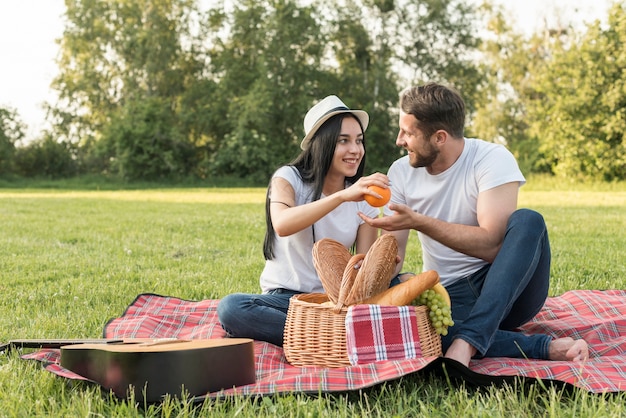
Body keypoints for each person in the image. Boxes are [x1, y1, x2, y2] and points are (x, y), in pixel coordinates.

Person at [358, 83, 589, 367]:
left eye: (408, 133)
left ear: (440, 137)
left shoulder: (491, 159)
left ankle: (466, 342)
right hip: (452, 296)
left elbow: (492, 245)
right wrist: (379, 267)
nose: (399, 140)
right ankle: (543, 347)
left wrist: (420, 222)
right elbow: (396, 257)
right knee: (414, 331)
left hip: (509, 289)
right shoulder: (401, 172)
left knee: (529, 220)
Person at [217, 95, 390, 347]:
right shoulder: (289, 178)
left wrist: (380, 266)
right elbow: (283, 224)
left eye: (359, 141)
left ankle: (318, 336)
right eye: (343, 141)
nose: (355, 150)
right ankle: (336, 337)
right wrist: (342, 196)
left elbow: (360, 274)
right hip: (286, 300)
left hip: (334, 302)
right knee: (232, 308)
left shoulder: (363, 198)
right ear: (322, 144)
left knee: (401, 284)